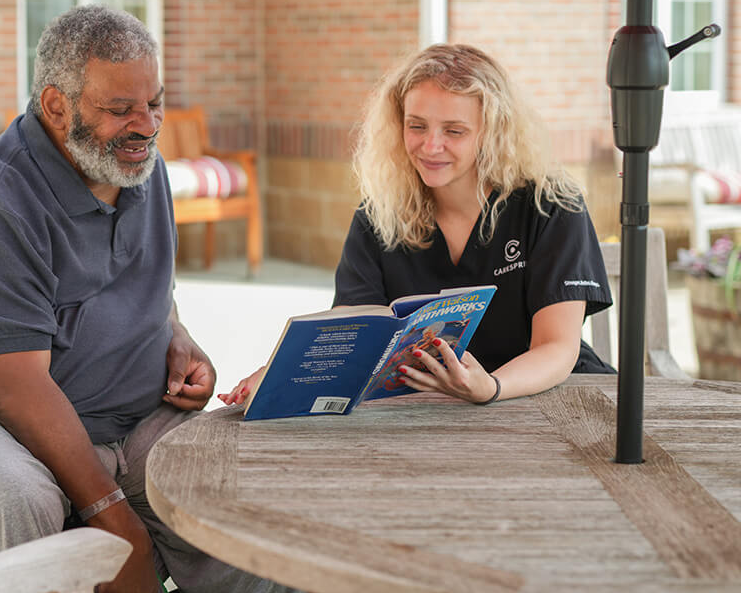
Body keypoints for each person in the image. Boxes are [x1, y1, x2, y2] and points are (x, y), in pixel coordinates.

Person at [0, 5, 293, 593]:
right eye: (120, 109)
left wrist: (176, 336)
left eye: (154, 102)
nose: (147, 125)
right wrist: (114, 516)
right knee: (16, 501)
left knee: (242, 482)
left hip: (129, 417)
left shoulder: (139, 169)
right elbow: (11, 389)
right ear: (55, 106)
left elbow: (150, 287)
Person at [221, 43, 612, 408]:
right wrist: (276, 373)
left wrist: (490, 388)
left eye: (454, 131)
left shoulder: (551, 205)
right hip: (427, 410)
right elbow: (353, 331)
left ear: (493, 133)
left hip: (547, 399)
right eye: (417, 126)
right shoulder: (379, 216)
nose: (430, 146)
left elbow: (558, 347)